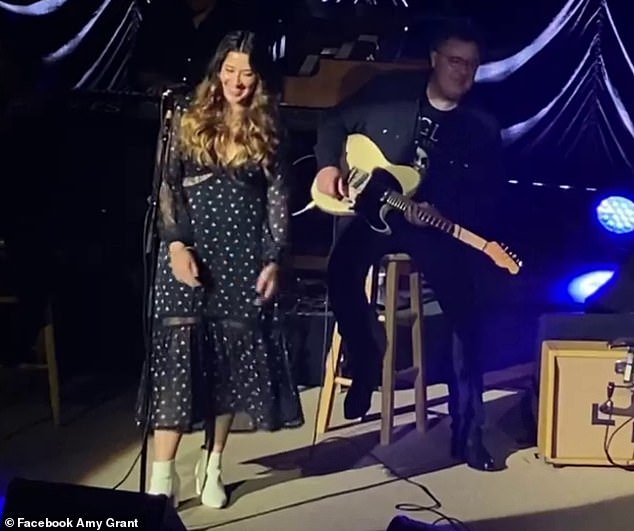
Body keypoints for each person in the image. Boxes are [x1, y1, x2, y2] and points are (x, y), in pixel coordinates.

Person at [313, 20, 506, 471]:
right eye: (456, 62)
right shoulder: (388, 92)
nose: (464, 73)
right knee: (341, 270)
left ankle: (469, 431)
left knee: (465, 306)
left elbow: (489, 194)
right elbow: (332, 122)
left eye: (472, 66)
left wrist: (447, 214)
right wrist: (326, 167)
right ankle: (364, 361)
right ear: (435, 59)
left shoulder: (480, 127)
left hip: (431, 227)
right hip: (371, 215)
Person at [135, 30, 304, 509]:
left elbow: (277, 199)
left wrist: (274, 258)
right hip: (190, 252)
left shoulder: (270, 127)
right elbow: (168, 186)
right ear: (217, 71)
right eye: (230, 71)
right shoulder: (187, 119)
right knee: (176, 359)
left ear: (259, 80)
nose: (237, 81)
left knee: (228, 365)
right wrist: (175, 245)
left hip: (241, 256)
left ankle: (211, 465)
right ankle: (161, 477)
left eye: (247, 73)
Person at [128, 0, 246, 94]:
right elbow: (139, 68)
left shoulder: (237, 18)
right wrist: (161, 85)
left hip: (216, 111)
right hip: (160, 111)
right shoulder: (159, 13)